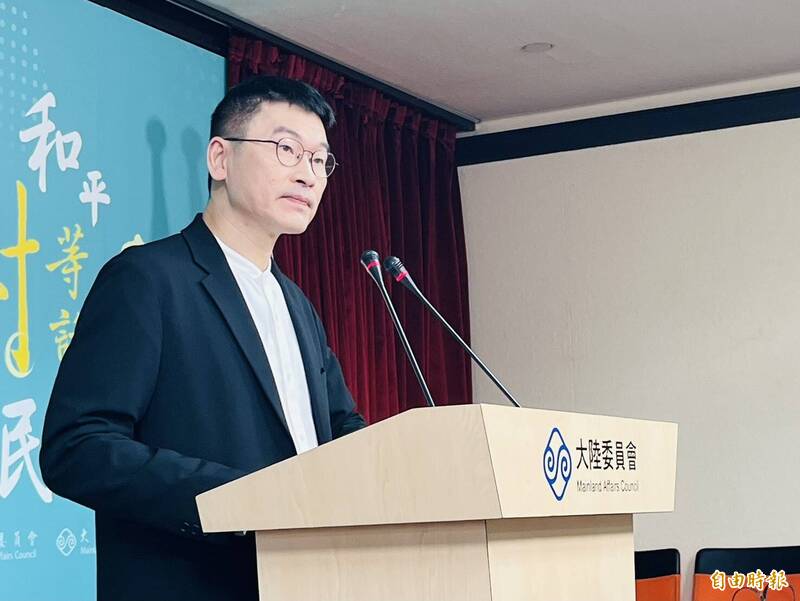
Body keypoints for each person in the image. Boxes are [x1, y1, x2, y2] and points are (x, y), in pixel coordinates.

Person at [40, 75, 366, 601]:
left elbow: (340, 426)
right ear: (220, 159)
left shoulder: (297, 305)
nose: (307, 174)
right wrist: (240, 501)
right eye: (286, 149)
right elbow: (77, 448)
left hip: (305, 582)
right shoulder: (147, 279)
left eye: (319, 159)